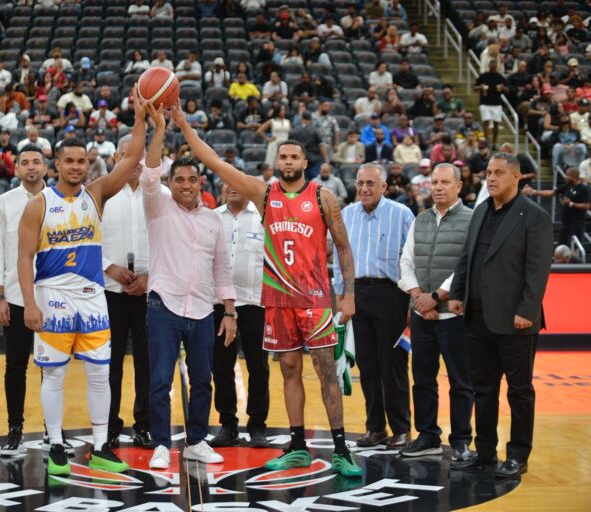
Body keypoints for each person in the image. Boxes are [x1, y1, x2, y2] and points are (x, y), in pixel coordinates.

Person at [171, 101, 362, 477]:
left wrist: (349, 294)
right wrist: (183, 123)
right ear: (276, 162)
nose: (289, 161)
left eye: (295, 156)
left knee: (325, 372)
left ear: (304, 163)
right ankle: (298, 446)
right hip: (276, 301)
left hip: (315, 299)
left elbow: (342, 246)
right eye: (283, 156)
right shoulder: (264, 195)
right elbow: (213, 161)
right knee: (289, 371)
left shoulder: (323, 198)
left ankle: (341, 448)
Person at [17, 89, 147, 476]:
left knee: (99, 373)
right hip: (53, 296)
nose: (76, 167)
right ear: (56, 164)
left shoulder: (97, 193)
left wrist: (140, 118)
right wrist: (29, 303)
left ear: (89, 164)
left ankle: (102, 443)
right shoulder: (38, 204)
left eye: (82, 161)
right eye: (69, 161)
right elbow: (23, 258)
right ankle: (56, 444)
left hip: (93, 297)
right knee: (54, 375)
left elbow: (134, 156)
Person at [141, 105, 237, 470]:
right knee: (160, 380)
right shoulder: (158, 207)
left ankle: (196, 440)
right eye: (178, 179)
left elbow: (222, 268)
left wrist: (229, 312)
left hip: (202, 309)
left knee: (203, 381)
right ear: (171, 183)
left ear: (201, 184)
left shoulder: (214, 220)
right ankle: (162, 444)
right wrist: (161, 129)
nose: (184, 185)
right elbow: (149, 175)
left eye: (191, 180)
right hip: (163, 305)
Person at [449, 152, 553, 478]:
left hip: (515, 320)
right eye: (488, 173)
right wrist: (457, 293)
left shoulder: (533, 215)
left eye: (498, 173)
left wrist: (527, 310)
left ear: (516, 177)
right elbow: (468, 256)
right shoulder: (480, 210)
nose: (490, 178)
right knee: (484, 389)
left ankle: (518, 454)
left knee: (519, 391)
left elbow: (538, 271)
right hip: (477, 317)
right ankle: (484, 452)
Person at [397, 163, 474, 461]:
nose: (438, 187)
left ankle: (461, 441)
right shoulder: (421, 219)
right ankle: (428, 436)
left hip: (454, 317)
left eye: (445, 182)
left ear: (459, 186)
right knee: (423, 380)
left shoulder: (471, 219)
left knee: (460, 382)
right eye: (434, 182)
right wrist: (419, 298)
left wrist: (435, 296)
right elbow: (405, 262)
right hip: (422, 316)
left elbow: (466, 266)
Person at [338, 163, 415, 450]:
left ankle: (402, 428)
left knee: (392, 364)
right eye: (360, 183)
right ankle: (375, 428)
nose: (364, 188)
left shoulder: (402, 214)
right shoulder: (346, 215)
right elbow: (340, 258)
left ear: (384, 186)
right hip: (358, 294)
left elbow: (413, 258)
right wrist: (341, 295)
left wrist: (411, 298)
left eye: (370, 183)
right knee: (367, 365)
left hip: (391, 294)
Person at [102, 135, 166, 450]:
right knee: (108, 364)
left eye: (140, 157)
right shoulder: (99, 194)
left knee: (148, 363)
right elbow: (84, 239)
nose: (135, 163)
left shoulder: (161, 194)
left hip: (151, 293)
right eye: (128, 156)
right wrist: (107, 267)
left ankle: (144, 426)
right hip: (108, 291)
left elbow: (173, 243)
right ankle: (109, 426)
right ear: (116, 157)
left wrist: (150, 276)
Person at [0, 145, 48, 456]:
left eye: (36, 162)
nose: (30, 167)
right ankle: (15, 428)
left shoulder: (59, 200)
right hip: (14, 295)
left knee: (53, 368)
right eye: (24, 162)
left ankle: (53, 429)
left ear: (45, 166)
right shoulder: (4, 202)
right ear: (16, 169)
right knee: (15, 366)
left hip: (52, 297)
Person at [209, 184, 270, 449]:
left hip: (256, 304)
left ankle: (257, 426)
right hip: (218, 305)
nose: (231, 187)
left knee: (258, 367)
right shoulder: (211, 218)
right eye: (226, 182)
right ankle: (228, 424)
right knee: (221, 367)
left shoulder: (263, 218)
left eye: (237, 182)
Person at [523, 167, 590, 244]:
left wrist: (571, 203)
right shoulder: (567, 186)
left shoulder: (584, 189)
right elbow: (552, 193)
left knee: (575, 245)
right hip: (566, 222)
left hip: (577, 224)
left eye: (567, 175)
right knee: (561, 245)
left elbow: (587, 206)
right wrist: (534, 192)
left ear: (573, 176)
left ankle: (576, 256)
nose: (565, 177)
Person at [475, 59, 509, 145]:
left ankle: (494, 143)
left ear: (496, 67)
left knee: (496, 124)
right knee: (486, 122)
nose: (493, 67)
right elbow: (475, 88)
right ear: (489, 66)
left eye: (495, 66)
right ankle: (486, 142)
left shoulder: (500, 77)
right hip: (485, 102)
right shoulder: (483, 76)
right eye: (492, 65)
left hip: (496, 103)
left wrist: (503, 87)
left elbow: (507, 90)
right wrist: (480, 87)